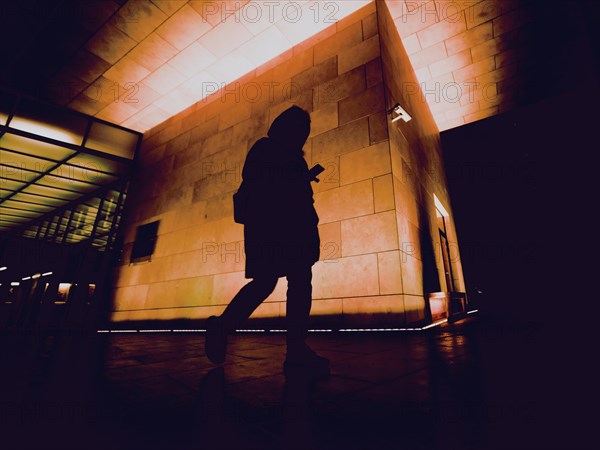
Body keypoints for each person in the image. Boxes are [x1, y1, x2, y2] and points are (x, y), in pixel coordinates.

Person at [205, 105, 329, 373]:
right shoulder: (269, 149)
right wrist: (299, 179)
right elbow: (268, 185)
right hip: (278, 229)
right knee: (284, 282)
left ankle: (225, 327)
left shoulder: (282, 154)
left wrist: (301, 178)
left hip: (281, 230)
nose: (303, 135)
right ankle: (293, 349)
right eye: (300, 129)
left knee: (275, 282)